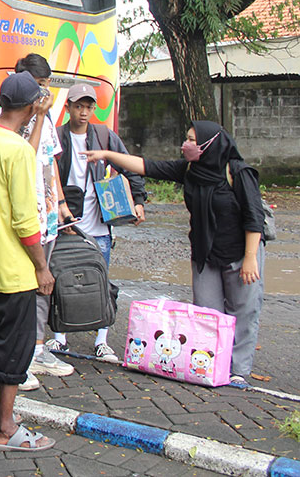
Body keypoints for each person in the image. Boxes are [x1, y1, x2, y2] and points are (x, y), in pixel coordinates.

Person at [83, 121, 265, 386]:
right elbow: (147, 166)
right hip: (205, 253)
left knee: (243, 311)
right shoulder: (191, 169)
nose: (186, 145)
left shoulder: (237, 172)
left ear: (209, 144)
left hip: (241, 253)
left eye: (192, 140)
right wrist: (108, 155)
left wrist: (250, 258)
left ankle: (238, 371)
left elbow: (254, 217)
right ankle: (213, 365)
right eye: (186, 138)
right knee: (207, 313)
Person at [0, 71, 55, 452]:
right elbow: (24, 221)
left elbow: (22, 158)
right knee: (14, 351)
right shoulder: (14, 150)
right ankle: (6, 428)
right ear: (32, 104)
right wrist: (41, 266)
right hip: (15, 270)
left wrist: (35, 118)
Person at [52, 82, 146, 362]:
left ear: (94, 109)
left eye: (88, 107)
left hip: (99, 226)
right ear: (68, 107)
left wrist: (139, 200)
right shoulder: (56, 138)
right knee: (62, 283)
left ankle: (101, 341)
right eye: (78, 106)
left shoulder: (105, 137)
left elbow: (129, 165)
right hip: (66, 225)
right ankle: (59, 338)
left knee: (101, 282)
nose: (83, 112)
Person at [9, 56, 76, 388]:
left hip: (46, 215)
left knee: (43, 284)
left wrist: (61, 205)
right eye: (39, 84)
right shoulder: (10, 120)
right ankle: (17, 357)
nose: (44, 91)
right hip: (23, 217)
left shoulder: (46, 119)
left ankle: (37, 349)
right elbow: (22, 160)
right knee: (22, 286)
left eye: (47, 85)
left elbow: (49, 164)